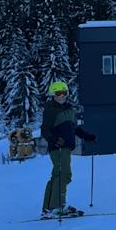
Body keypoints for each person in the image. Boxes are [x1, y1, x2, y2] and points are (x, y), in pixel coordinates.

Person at [39, 81, 96, 217]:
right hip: (58, 147)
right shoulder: (50, 109)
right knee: (64, 174)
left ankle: (48, 208)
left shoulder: (70, 109)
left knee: (57, 175)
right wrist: (54, 139)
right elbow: (45, 129)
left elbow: (75, 128)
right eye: (58, 93)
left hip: (66, 147)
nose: (62, 96)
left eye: (64, 93)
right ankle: (57, 206)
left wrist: (87, 137)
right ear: (53, 95)